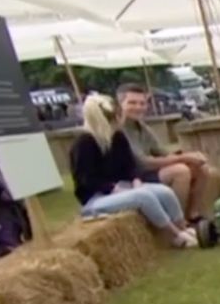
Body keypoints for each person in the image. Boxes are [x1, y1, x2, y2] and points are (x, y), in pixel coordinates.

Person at [69, 95, 197, 248]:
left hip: (124, 186)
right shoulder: (84, 144)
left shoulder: (118, 137)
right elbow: (87, 179)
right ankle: (174, 235)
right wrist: (114, 189)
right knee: (143, 197)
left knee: (164, 192)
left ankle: (183, 227)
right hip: (96, 199)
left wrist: (136, 181)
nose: (118, 121)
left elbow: (130, 166)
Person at [117, 83, 211, 222]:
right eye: (132, 103)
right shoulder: (119, 131)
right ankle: (176, 221)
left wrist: (190, 156)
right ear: (119, 105)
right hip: (129, 179)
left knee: (201, 168)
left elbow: (162, 152)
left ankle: (193, 215)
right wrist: (184, 158)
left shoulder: (141, 127)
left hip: (145, 173)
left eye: (142, 103)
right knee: (180, 172)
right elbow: (143, 163)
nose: (138, 107)